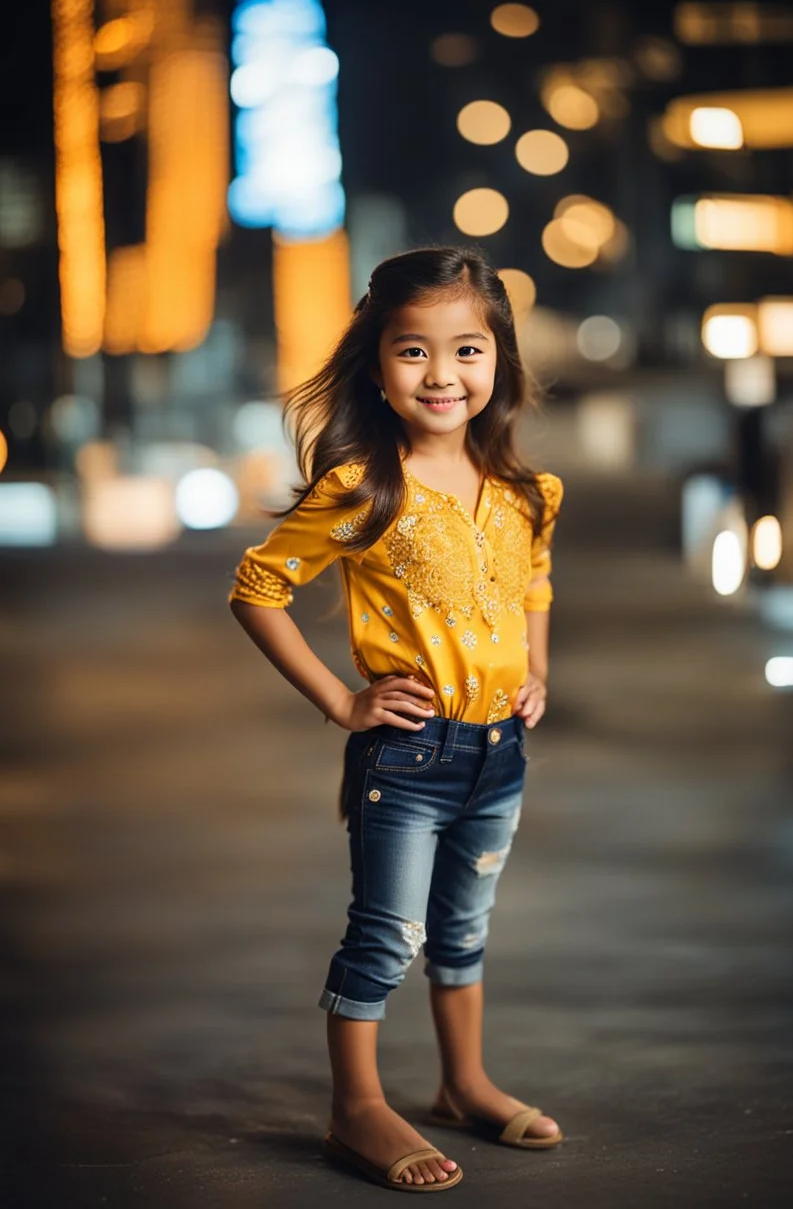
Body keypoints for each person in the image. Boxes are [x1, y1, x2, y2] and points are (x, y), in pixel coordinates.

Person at [228, 246, 564, 1192]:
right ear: (375, 365)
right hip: (409, 759)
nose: (443, 374)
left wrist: (535, 670)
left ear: (499, 358)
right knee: (387, 936)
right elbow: (257, 588)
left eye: (466, 350)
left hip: (501, 754)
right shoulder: (366, 490)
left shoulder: (524, 494)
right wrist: (341, 700)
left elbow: (533, 582)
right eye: (413, 352)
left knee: (465, 930)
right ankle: (357, 1108)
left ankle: (463, 1083)